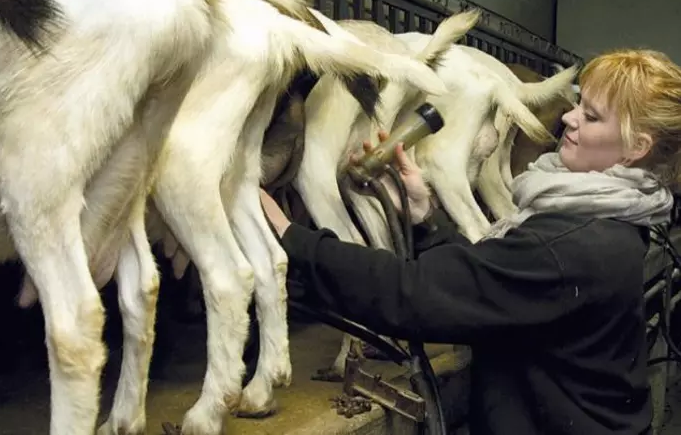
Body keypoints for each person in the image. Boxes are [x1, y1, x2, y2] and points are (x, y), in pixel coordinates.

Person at [260, 49, 681, 435]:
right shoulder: (615, 218)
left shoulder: (574, 244)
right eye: (579, 107)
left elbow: (413, 294)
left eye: (591, 116)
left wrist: (291, 239)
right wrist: (427, 220)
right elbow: (490, 283)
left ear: (635, 148)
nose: (569, 118)